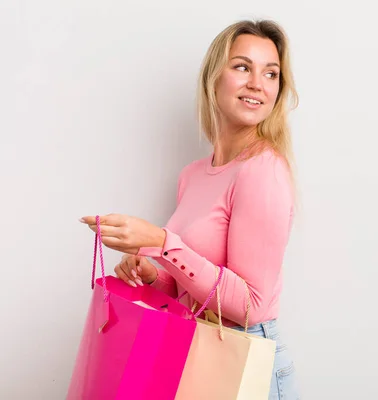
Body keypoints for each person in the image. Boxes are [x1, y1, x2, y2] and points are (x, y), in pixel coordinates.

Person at [80, 19, 300, 400]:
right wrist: (152, 274)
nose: (257, 84)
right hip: (199, 351)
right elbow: (193, 283)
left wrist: (163, 243)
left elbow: (252, 305)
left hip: (245, 357)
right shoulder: (193, 175)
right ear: (214, 77)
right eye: (242, 66)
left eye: (271, 73)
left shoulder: (263, 170)